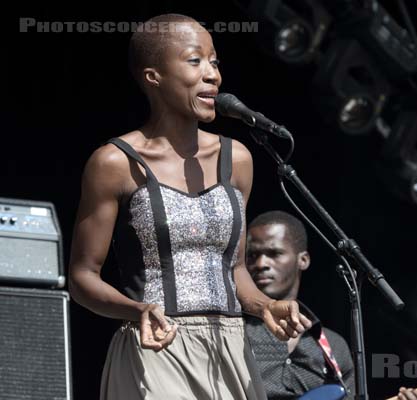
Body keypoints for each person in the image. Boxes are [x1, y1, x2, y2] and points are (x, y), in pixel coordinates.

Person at [67, 14, 311, 400]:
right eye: (195, 61)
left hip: (229, 350)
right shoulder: (115, 163)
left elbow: (233, 268)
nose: (212, 74)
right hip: (157, 348)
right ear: (154, 76)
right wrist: (137, 310)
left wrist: (265, 305)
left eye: (214, 62)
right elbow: (82, 277)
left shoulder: (239, 159)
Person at [244, 211, 417, 400]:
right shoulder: (234, 332)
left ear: (303, 260)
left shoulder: (333, 346)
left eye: (274, 253)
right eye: (252, 256)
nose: (261, 263)